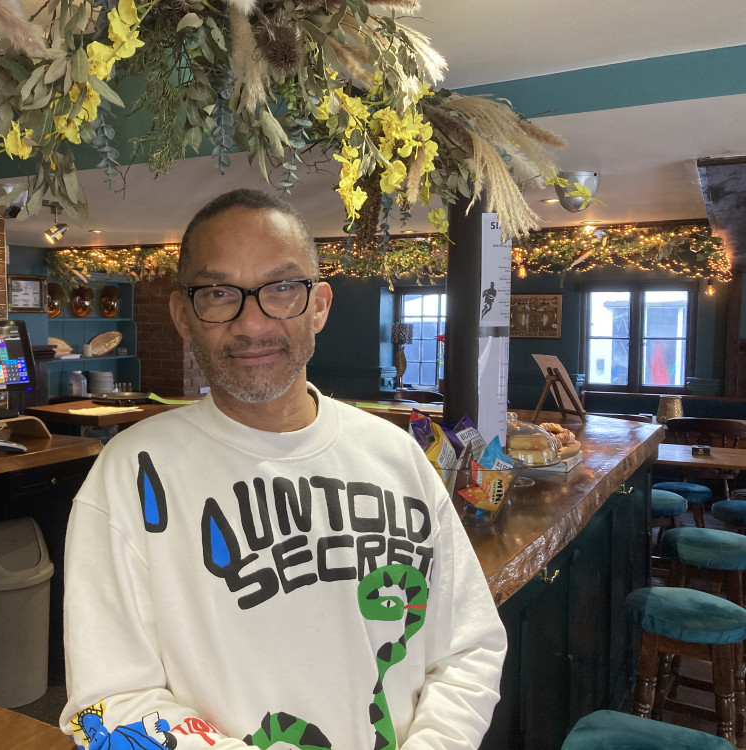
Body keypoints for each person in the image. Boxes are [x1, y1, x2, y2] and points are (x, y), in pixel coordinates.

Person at [60, 189, 507, 749]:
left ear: (318, 305)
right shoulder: (129, 477)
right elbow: (108, 704)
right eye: (219, 292)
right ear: (182, 314)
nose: (252, 323)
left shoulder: (396, 458)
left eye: (280, 288)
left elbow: (469, 645)